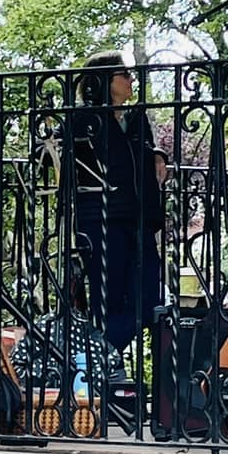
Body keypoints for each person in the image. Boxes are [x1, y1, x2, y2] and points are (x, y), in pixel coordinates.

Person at [69, 51, 166, 355]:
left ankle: (98, 358)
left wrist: (158, 154)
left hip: (140, 219)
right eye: (124, 74)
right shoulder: (84, 118)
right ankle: (100, 364)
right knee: (108, 302)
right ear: (104, 80)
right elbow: (50, 151)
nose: (131, 79)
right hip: (102, 220)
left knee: (149, 303)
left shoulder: (136, 118)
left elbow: (144, 151)